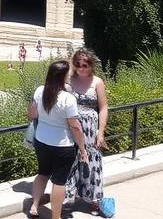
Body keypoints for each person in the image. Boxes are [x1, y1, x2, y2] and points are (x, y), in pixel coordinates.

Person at [25, 60, 89, 219]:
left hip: (41, 141)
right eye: (68, 73)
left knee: (42, 173)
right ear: (62, 76)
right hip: (62, 146)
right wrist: (82, 149)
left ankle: (34, 206)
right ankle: (56, 216)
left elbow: (31, 114)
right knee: (59, 182)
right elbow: (75, 127)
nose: (71, 75)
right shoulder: (68, 98)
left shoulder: (40, 90)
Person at [64, 49, 109, 215]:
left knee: (92, 161)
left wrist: (101, 131)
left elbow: (103, 108)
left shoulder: (97, 82)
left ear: (91, 66)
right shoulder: (68, 79)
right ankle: (69, 196)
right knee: (71, 160)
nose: (81, 69)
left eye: (85, 66)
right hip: (71, 126)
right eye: (78, 65)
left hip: (90, 128)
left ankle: (94, 199)